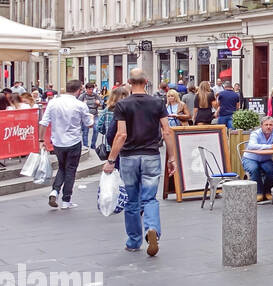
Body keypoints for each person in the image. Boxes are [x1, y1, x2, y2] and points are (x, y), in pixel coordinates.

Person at [103, 69, 176, 256]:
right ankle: (152, 228)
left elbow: (121, 135)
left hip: (128, 157)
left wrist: (111, 160)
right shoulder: (158, 103)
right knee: (150, 198)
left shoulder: (122, 105)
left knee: (131, 200)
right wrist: (172, 157)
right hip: (151, 155)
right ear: (146, 81)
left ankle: (134, 241)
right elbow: (167, 131)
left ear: (129, 82)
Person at [40, 80, 92, 209]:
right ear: (78, 90)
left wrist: (41, 140)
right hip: (73, 141)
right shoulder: (80, 105)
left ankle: (55, 190)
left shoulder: (53, 103)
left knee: (62, 167)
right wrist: (90, 118)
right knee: (70, 170)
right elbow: (88, 124)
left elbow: (44, 122)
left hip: (57, 141)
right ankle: (66, 199)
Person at [241, 115, 273, 203]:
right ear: (261, 126)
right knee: (254, 169)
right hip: (250, 158)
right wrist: (270, 146)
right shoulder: (255, 133)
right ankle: (258, 192)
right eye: (266, 125)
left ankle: (267, 191)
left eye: (270, 125)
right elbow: (251, 146)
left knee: (272, 169)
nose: (268, 127)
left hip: (265, 159)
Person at [79, 82, 100, 149]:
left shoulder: (96, 95)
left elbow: (101, 102)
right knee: (85, 131)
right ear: (86, 89)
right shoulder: (83, 96)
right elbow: (77, 105)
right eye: (89, 89)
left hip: (95, 115)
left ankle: (93, 145)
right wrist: (82, 103)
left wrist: (99, 103)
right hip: (86, 116)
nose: (91, 91)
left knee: (96, 129)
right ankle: (85, 145)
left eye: (92, 89)